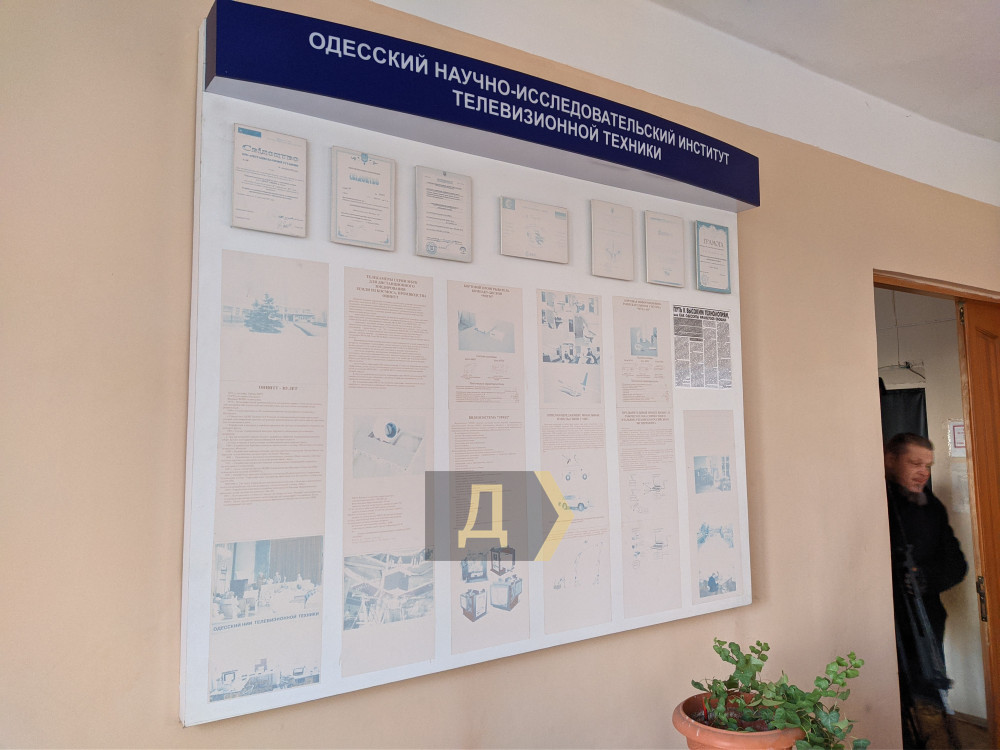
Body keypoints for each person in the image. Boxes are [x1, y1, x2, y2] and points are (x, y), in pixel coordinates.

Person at [884, 432, 967, 702]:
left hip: (925, 622)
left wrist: (926, 579)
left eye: (928, 466)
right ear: (890, 460)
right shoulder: (877, 502)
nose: (923, 472)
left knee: (928, 703)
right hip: (885, 625)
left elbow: (957, 565)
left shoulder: (931, 507)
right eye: (915, 463)